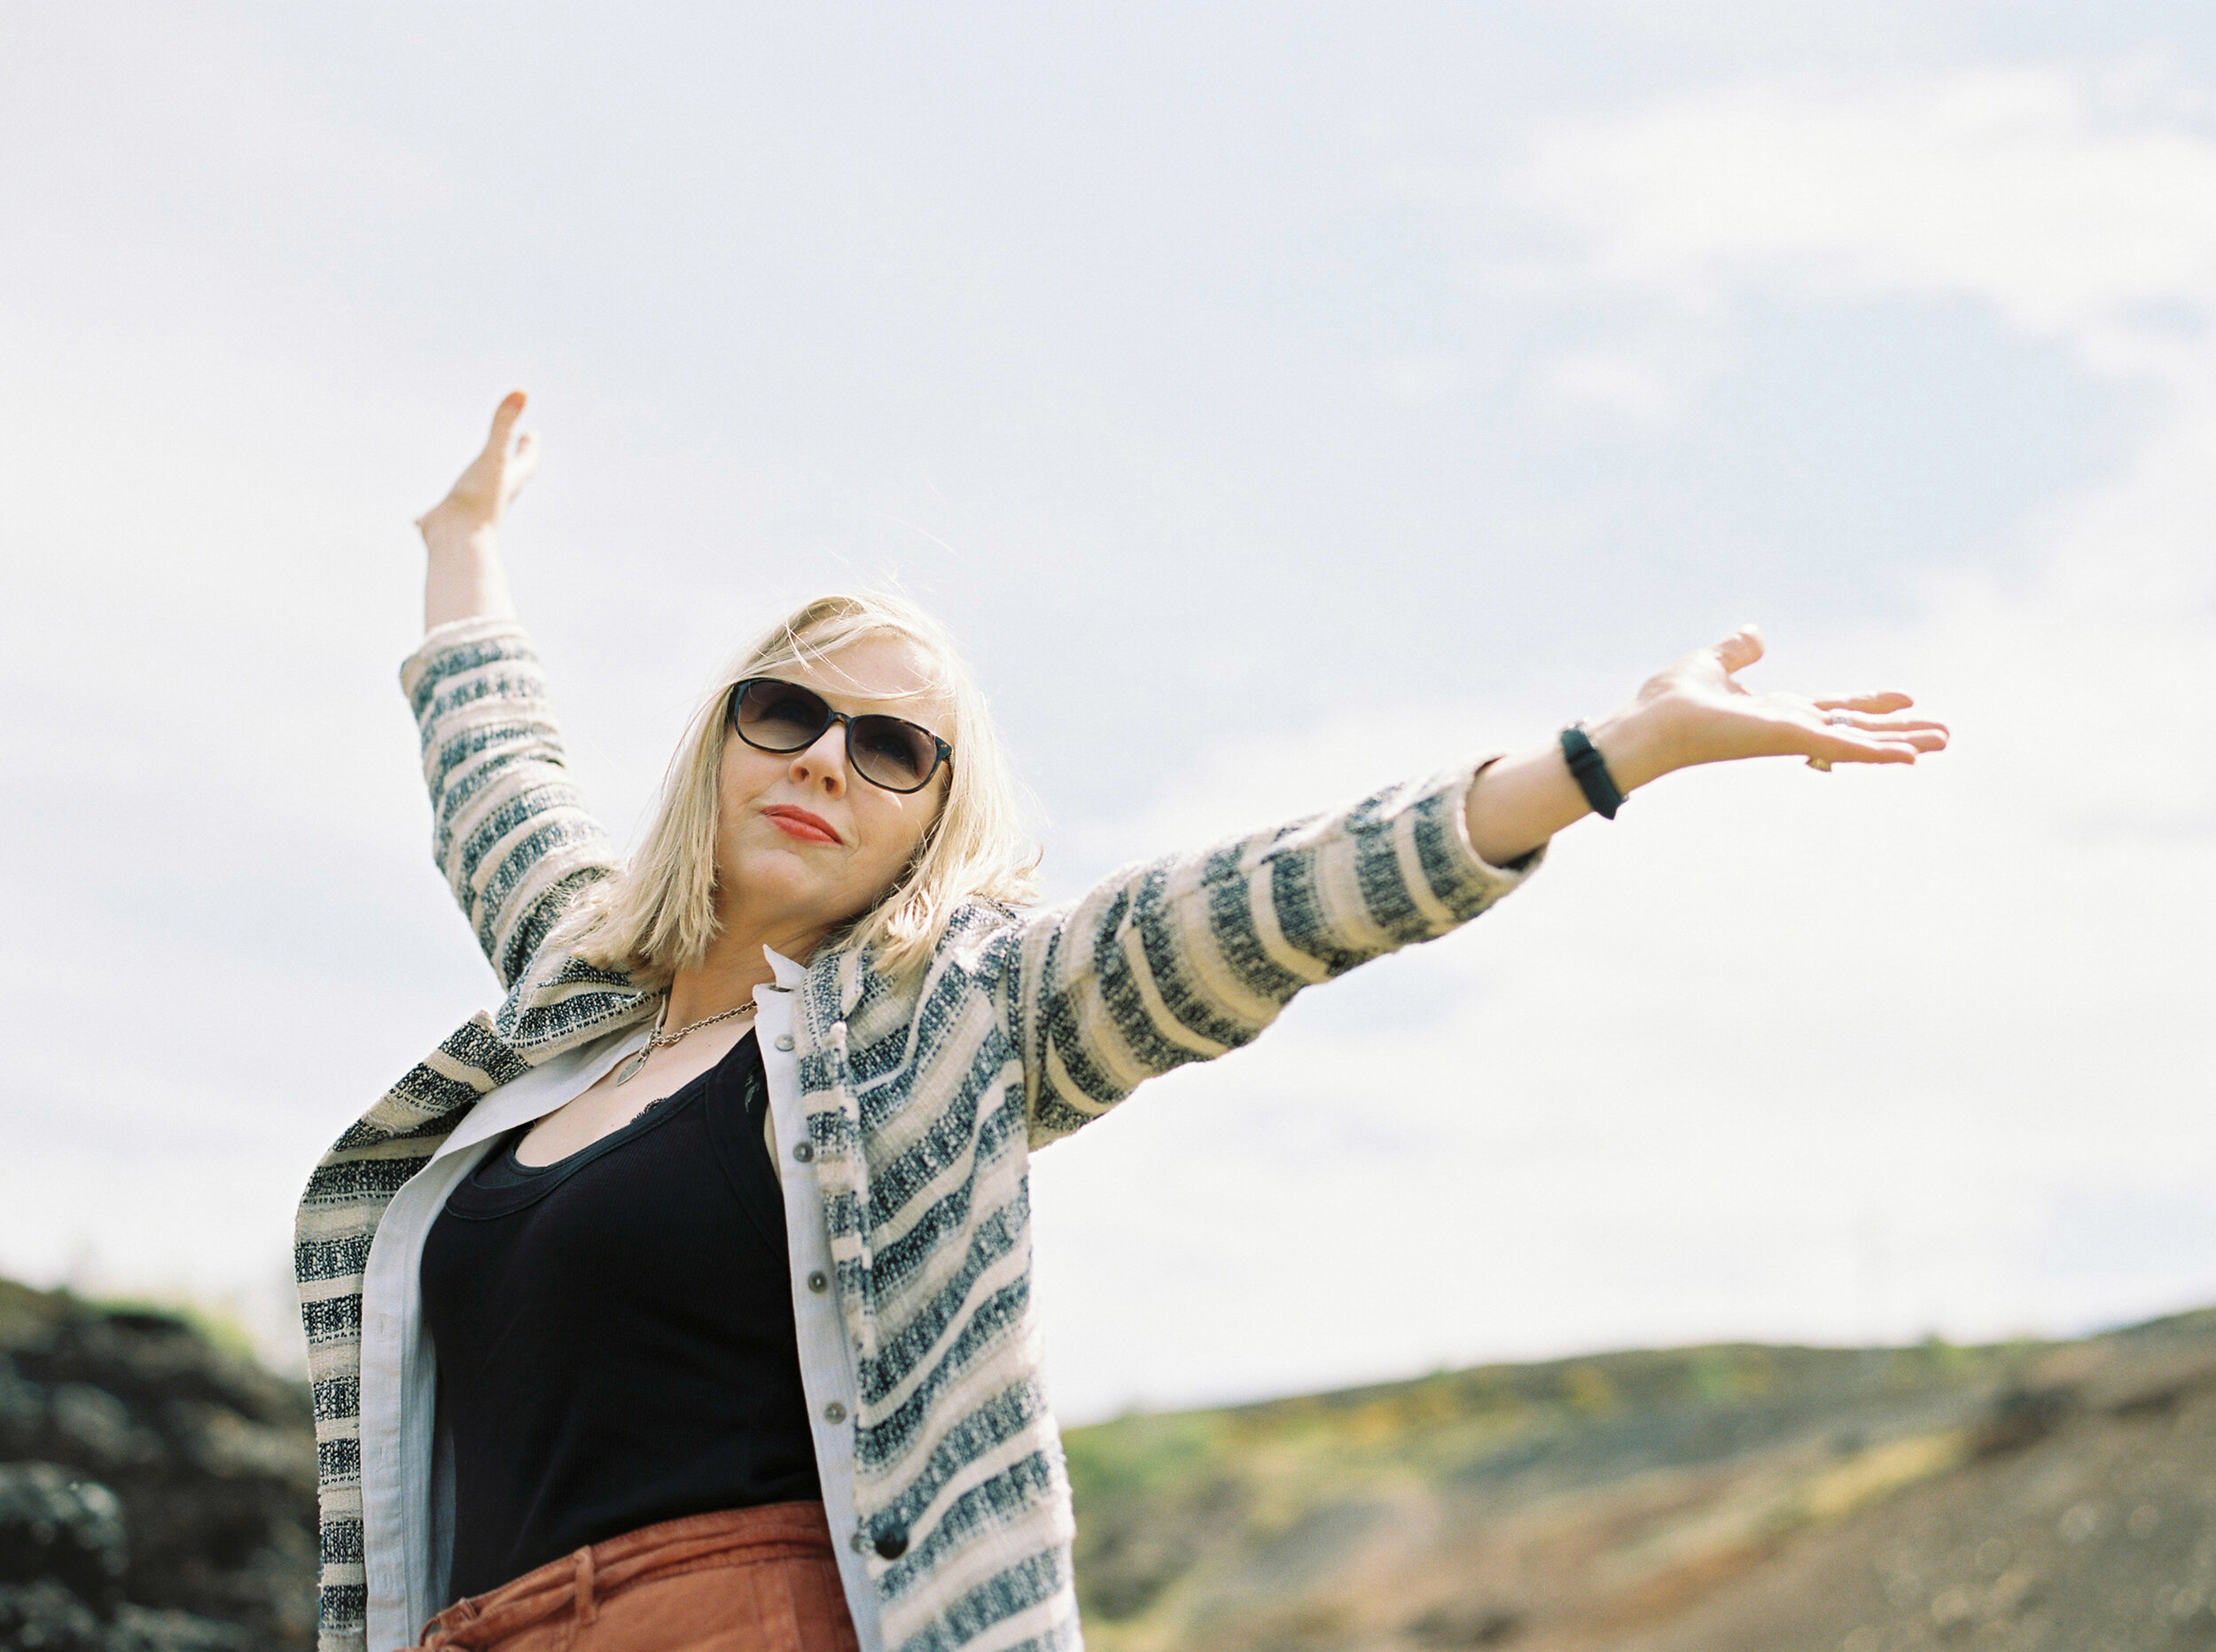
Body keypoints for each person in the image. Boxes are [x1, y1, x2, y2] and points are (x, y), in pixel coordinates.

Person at [294, 392, 1948, 1652]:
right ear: (720, 740)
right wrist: (462, 542)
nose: (823, 760)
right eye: (788, 713)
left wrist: (1609, 756)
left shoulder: (948, 1024)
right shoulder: (572, 1000)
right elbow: (493, 774)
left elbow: (1266, 902)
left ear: (935, 823)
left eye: (892, 749)